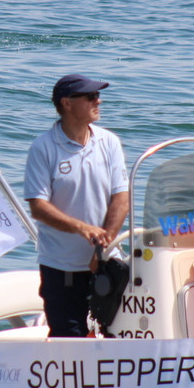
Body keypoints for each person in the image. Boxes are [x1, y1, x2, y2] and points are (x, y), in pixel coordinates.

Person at [24, 74, 130, 337]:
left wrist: (104, 244)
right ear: (67, 104)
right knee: (68, 344)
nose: (99, 100)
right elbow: (38, 206)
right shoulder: (43, 148)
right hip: (62, 270)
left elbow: (122, 198)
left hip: (108, 264)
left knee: (117, 338)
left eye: (97, 95)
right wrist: (82, 228)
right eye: (91, 97)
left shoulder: (109, 142)